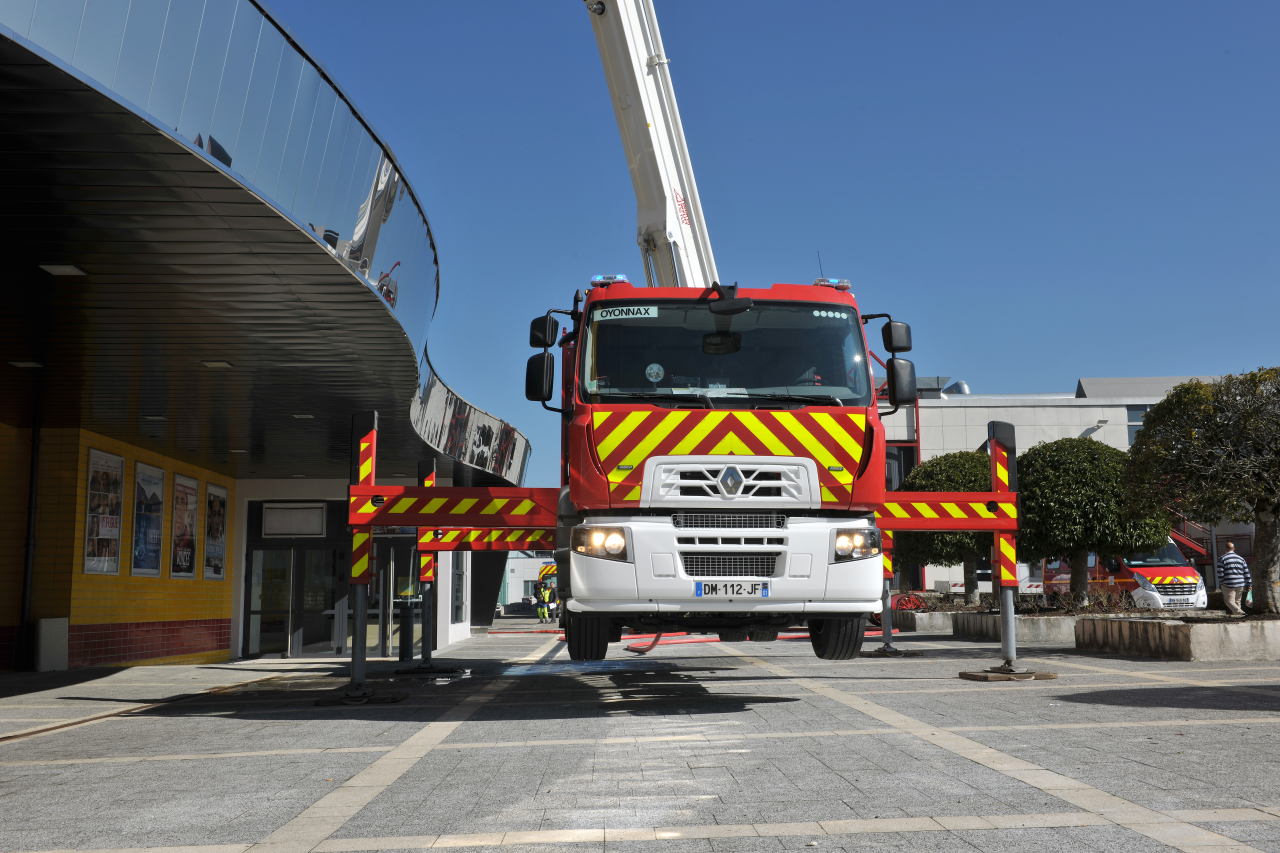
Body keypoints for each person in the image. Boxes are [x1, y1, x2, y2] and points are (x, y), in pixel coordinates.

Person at [1216, 541, 1250, 616]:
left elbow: (1220, 572)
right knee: (1238, 601)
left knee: (1229, 601)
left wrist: (1222, 582)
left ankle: (1241, 613)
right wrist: (1248, 583)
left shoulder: (1222, 558)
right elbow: (1246, 572)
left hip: (1228, 584)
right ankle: (1238, 617)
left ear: (1225, 549)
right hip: (1240, 583)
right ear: (1234, 549)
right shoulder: (1241, 559)